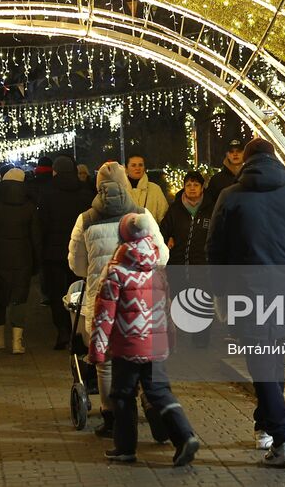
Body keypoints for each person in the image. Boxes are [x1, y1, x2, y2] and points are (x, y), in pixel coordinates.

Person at [207, 137, 285, 467]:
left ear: (245, 160)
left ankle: (283, 441)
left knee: (261, 367)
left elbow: (214, 251)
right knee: (274, 362)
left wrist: (218, 294)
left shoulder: (230, 197)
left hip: (246, 293)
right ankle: (266, 428)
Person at [90, 212, 200, 467]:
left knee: (122, 395)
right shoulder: (158, 270)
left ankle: (125, 447)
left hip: (127, 346)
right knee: (159, 392)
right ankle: (185, 436)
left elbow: (104, 314)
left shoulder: (116, 271)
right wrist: (171, 340)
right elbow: (166, 308)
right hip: (156, 345)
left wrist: (97, 349)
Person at [69, 162, 169, 437]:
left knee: (106, 363)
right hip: (140, 301)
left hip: (101, 302)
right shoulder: (142, 215)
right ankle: (150, 403)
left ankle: (111, 415)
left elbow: (76, 265)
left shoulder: (86, 220)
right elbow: (161, 256)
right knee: (143, 357)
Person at [0, 167, 42, 354]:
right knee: (19, 297)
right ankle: (17, 341)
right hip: (22, 256)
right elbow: (36, 237)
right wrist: (37, 261)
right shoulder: (30, 207)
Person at [37, 155, 93, 349]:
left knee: (57, 293)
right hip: (80, 252)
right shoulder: (85, 193)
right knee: (77, 291)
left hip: (54, 254)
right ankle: (77, 331)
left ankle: (62, 331)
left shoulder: (47, 193)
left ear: (55, 171)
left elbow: (42, 224)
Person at [160, 171, 211, 268]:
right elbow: (164, 230)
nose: (192, 188)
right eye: (188, 185)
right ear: (184, 187)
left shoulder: (210, 209)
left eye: (196, 185)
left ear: (201, 188)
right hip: (177, 265)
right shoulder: (175, 209)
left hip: (202, 266)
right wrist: (168, 238)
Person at [203, 137, 245, 213]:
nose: (235, 154)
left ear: (244, 153)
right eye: (231, 151)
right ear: (227, 154)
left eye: (238, 151)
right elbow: (210, 206)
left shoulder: (250, 177)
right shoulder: (216, 180)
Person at [125, 154, 169, 222]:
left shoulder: (155, 189)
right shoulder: (120, 191)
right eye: (133, 165)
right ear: (126, 169)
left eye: (140, 165)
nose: (137, 168)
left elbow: (164, 217)